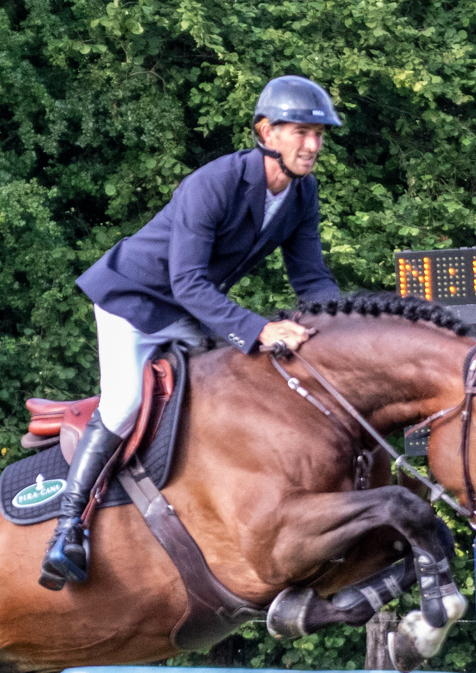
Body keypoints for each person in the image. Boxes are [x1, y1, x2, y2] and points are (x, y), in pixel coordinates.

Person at [40, 75, 345, 589]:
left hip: (189, 308)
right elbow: (187, 282)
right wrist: (260, 328)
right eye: (302, 132)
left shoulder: (301, 193)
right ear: (266, 132)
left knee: (233, 385)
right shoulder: (214, 183)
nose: (313, 145)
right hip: (133, 300)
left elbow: (311, 278)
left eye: (319, 134)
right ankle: (67, 529)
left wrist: (341, 327)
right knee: (124, 403)